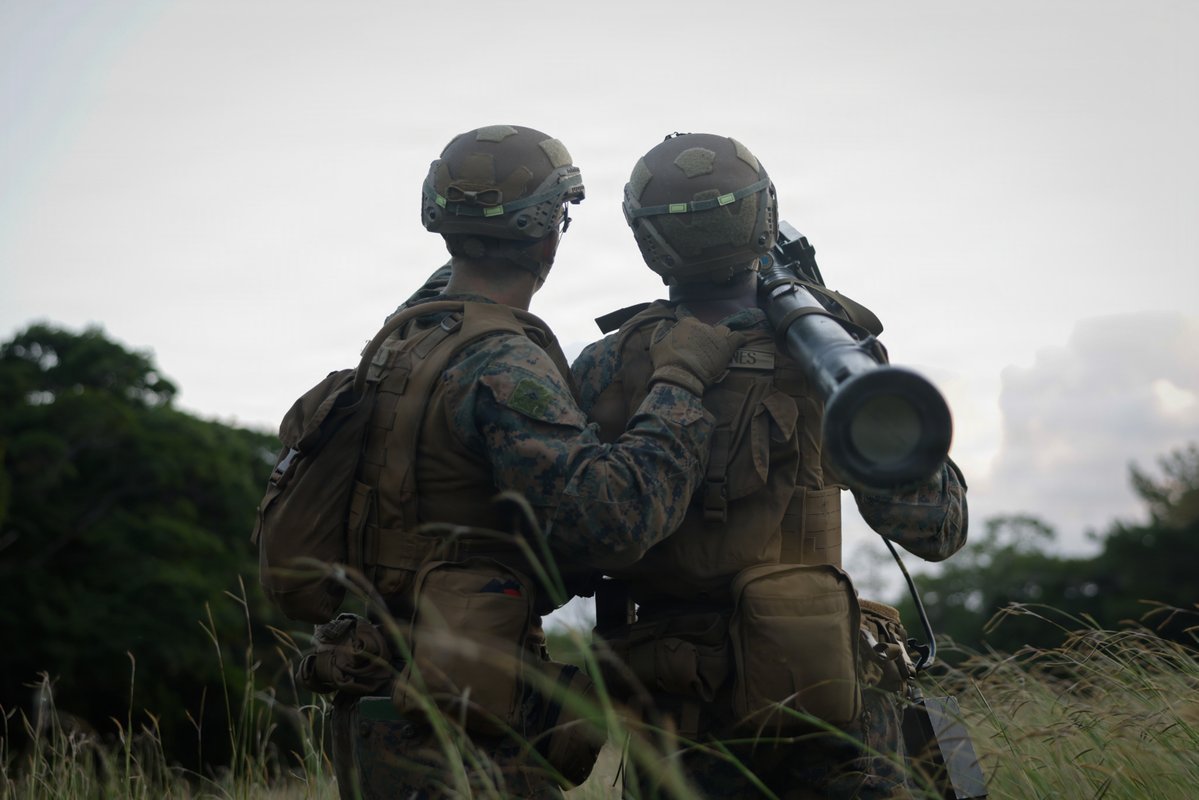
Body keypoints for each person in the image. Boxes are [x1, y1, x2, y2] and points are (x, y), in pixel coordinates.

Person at [298, 125, 745, 800]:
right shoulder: (505, 363)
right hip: (457, 724)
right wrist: (678, 383)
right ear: (547, 236)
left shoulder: (404, 338)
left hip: (378, 694)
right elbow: (612, 523)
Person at [573, 132, 969, 799]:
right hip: (830, 700)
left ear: (647, 240)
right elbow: (937, 528)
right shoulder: (830, 352)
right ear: (762, 215)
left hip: (680, 713)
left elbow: (570, 547)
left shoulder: (606, 364)